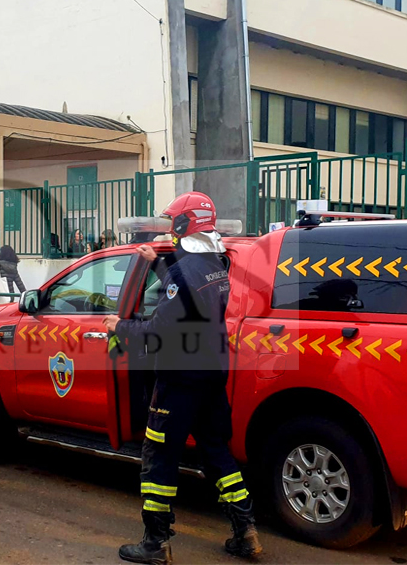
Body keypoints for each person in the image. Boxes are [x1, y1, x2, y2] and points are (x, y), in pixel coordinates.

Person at [103, 192, 261, 565]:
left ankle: (155, 543)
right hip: (211, 374)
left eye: (174, 223)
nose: (171, 230)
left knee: (159, 456)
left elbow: (161, 327)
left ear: (183, 225)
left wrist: (119, 325)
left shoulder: (184, 270)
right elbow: (192, 301)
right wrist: (158, 264)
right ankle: (246, 531)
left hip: (179, 378)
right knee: (216, 451)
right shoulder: (215, 264)